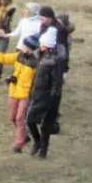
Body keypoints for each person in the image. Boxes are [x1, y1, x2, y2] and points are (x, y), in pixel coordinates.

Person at [0, 31, 39, 152]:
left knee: (19, 118)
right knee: (12, 118)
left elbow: (34, 82)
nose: (22, 47)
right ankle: (24, 136)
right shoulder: (18, 56)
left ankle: (18, 145)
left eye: (24, 45)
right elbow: (3, 58)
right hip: (14, 92)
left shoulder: (35, 64)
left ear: (29, 48)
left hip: (25, 95)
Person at [25, 27, 63, 158]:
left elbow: (57, 83)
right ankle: (37, 141)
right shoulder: (39, 56)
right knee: (29, 120)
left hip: (48, 98)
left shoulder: (54, 62)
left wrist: (53, 99)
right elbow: (31, 62)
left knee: (45, 127)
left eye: (41, 43)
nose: (39, 45)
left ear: (46, 46)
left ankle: (43, 150)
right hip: (36, 95)